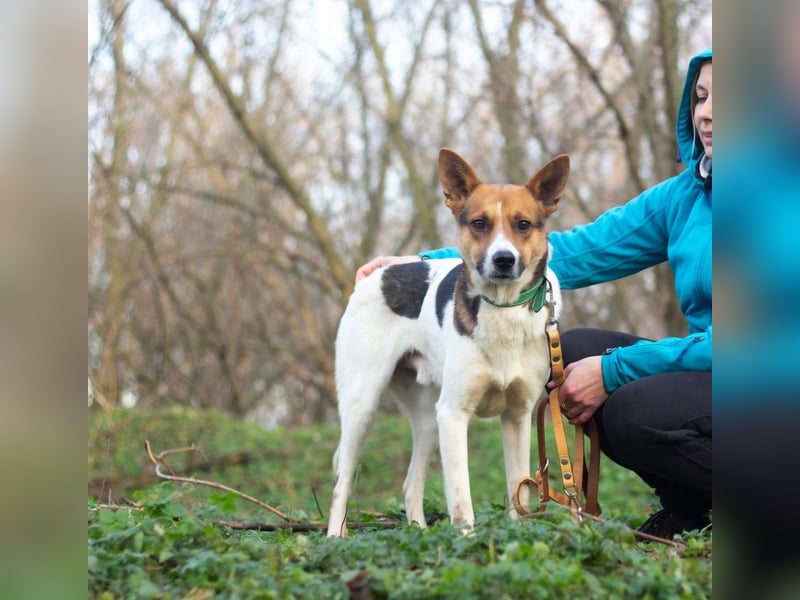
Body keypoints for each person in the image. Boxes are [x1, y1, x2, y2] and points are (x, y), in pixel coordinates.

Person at [355, 47, 712, 538]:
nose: (708, 112)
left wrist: (615, 370)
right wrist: (422, 264)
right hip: (711, 372)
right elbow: (561, 249)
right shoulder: (686, 195)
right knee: (574, 351)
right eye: (700, 97)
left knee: (631, 407)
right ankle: (691, 508)